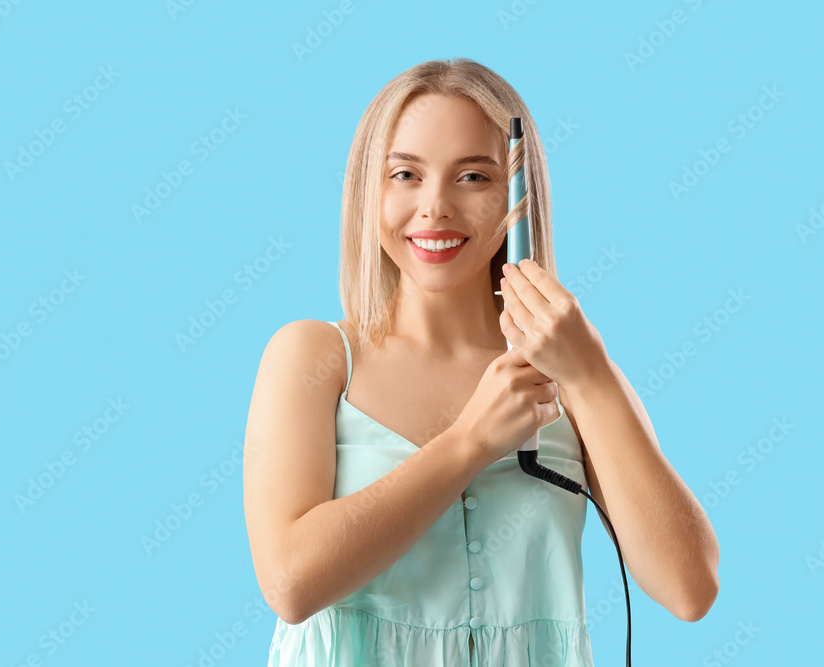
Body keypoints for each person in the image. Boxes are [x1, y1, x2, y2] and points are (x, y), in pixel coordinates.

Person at [243, 57, 719, 667]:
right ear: (370, 188)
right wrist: (470, 440)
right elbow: (291, 583)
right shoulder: (315, 356)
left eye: (473, 177)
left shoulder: (572, 375)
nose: (435, 206)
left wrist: (589, 371)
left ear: (519, 196)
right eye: (405, 174)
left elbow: (689, 588)